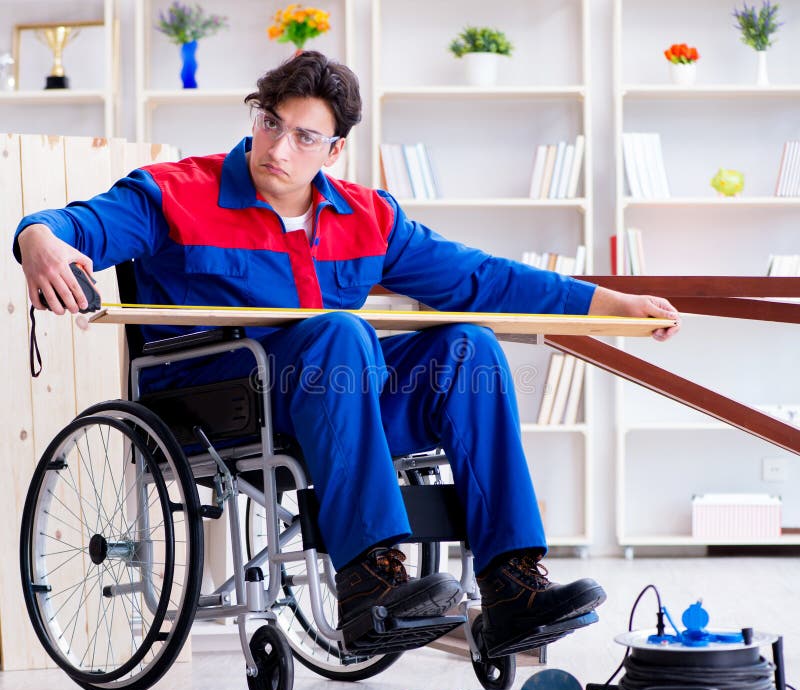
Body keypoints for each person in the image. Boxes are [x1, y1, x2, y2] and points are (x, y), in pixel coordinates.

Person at [13, 51, 680, 651]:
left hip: (338, 397)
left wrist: (608, 304)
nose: (278, 147)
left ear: (333, 150)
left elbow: (483, 278)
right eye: (270, 123)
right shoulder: (176, 191)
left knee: (469, 347)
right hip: (218, 403)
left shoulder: (368, 217)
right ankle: (369, 584)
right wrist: (37, 237)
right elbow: (78, 225)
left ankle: (511, 583)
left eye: (304, 136)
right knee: (341, 331)